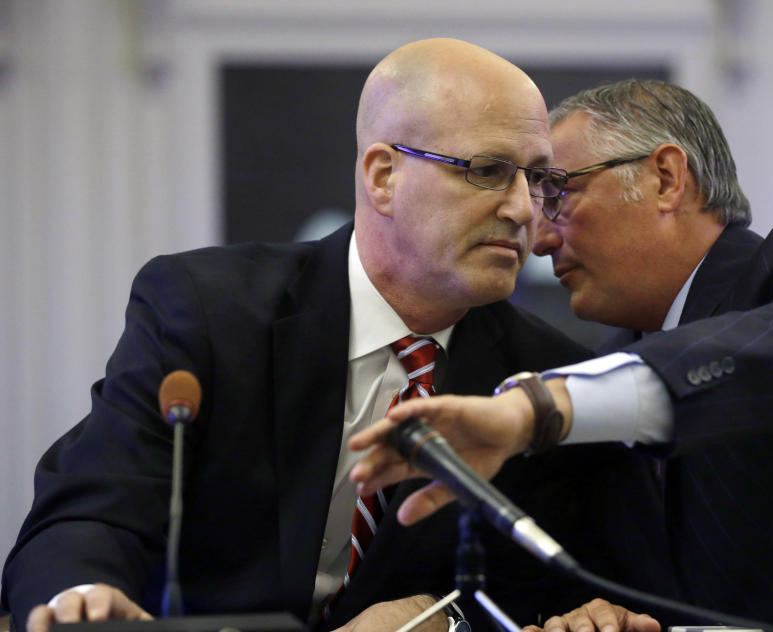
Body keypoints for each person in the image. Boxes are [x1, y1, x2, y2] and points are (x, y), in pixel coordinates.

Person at [0, 38, 621, 632]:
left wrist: (451, 621)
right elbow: (97, 505)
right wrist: (80, 594)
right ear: (382, 177)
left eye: (538, 180)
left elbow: (552, 594)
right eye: (488, 171)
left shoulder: (545, 380)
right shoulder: (212, 313)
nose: (522, 210)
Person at [351, 79, 773, 632]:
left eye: (558, 193)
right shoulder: (601, 363)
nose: (538, 237)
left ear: (666, 178)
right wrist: (596, 618)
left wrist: (536, 410)